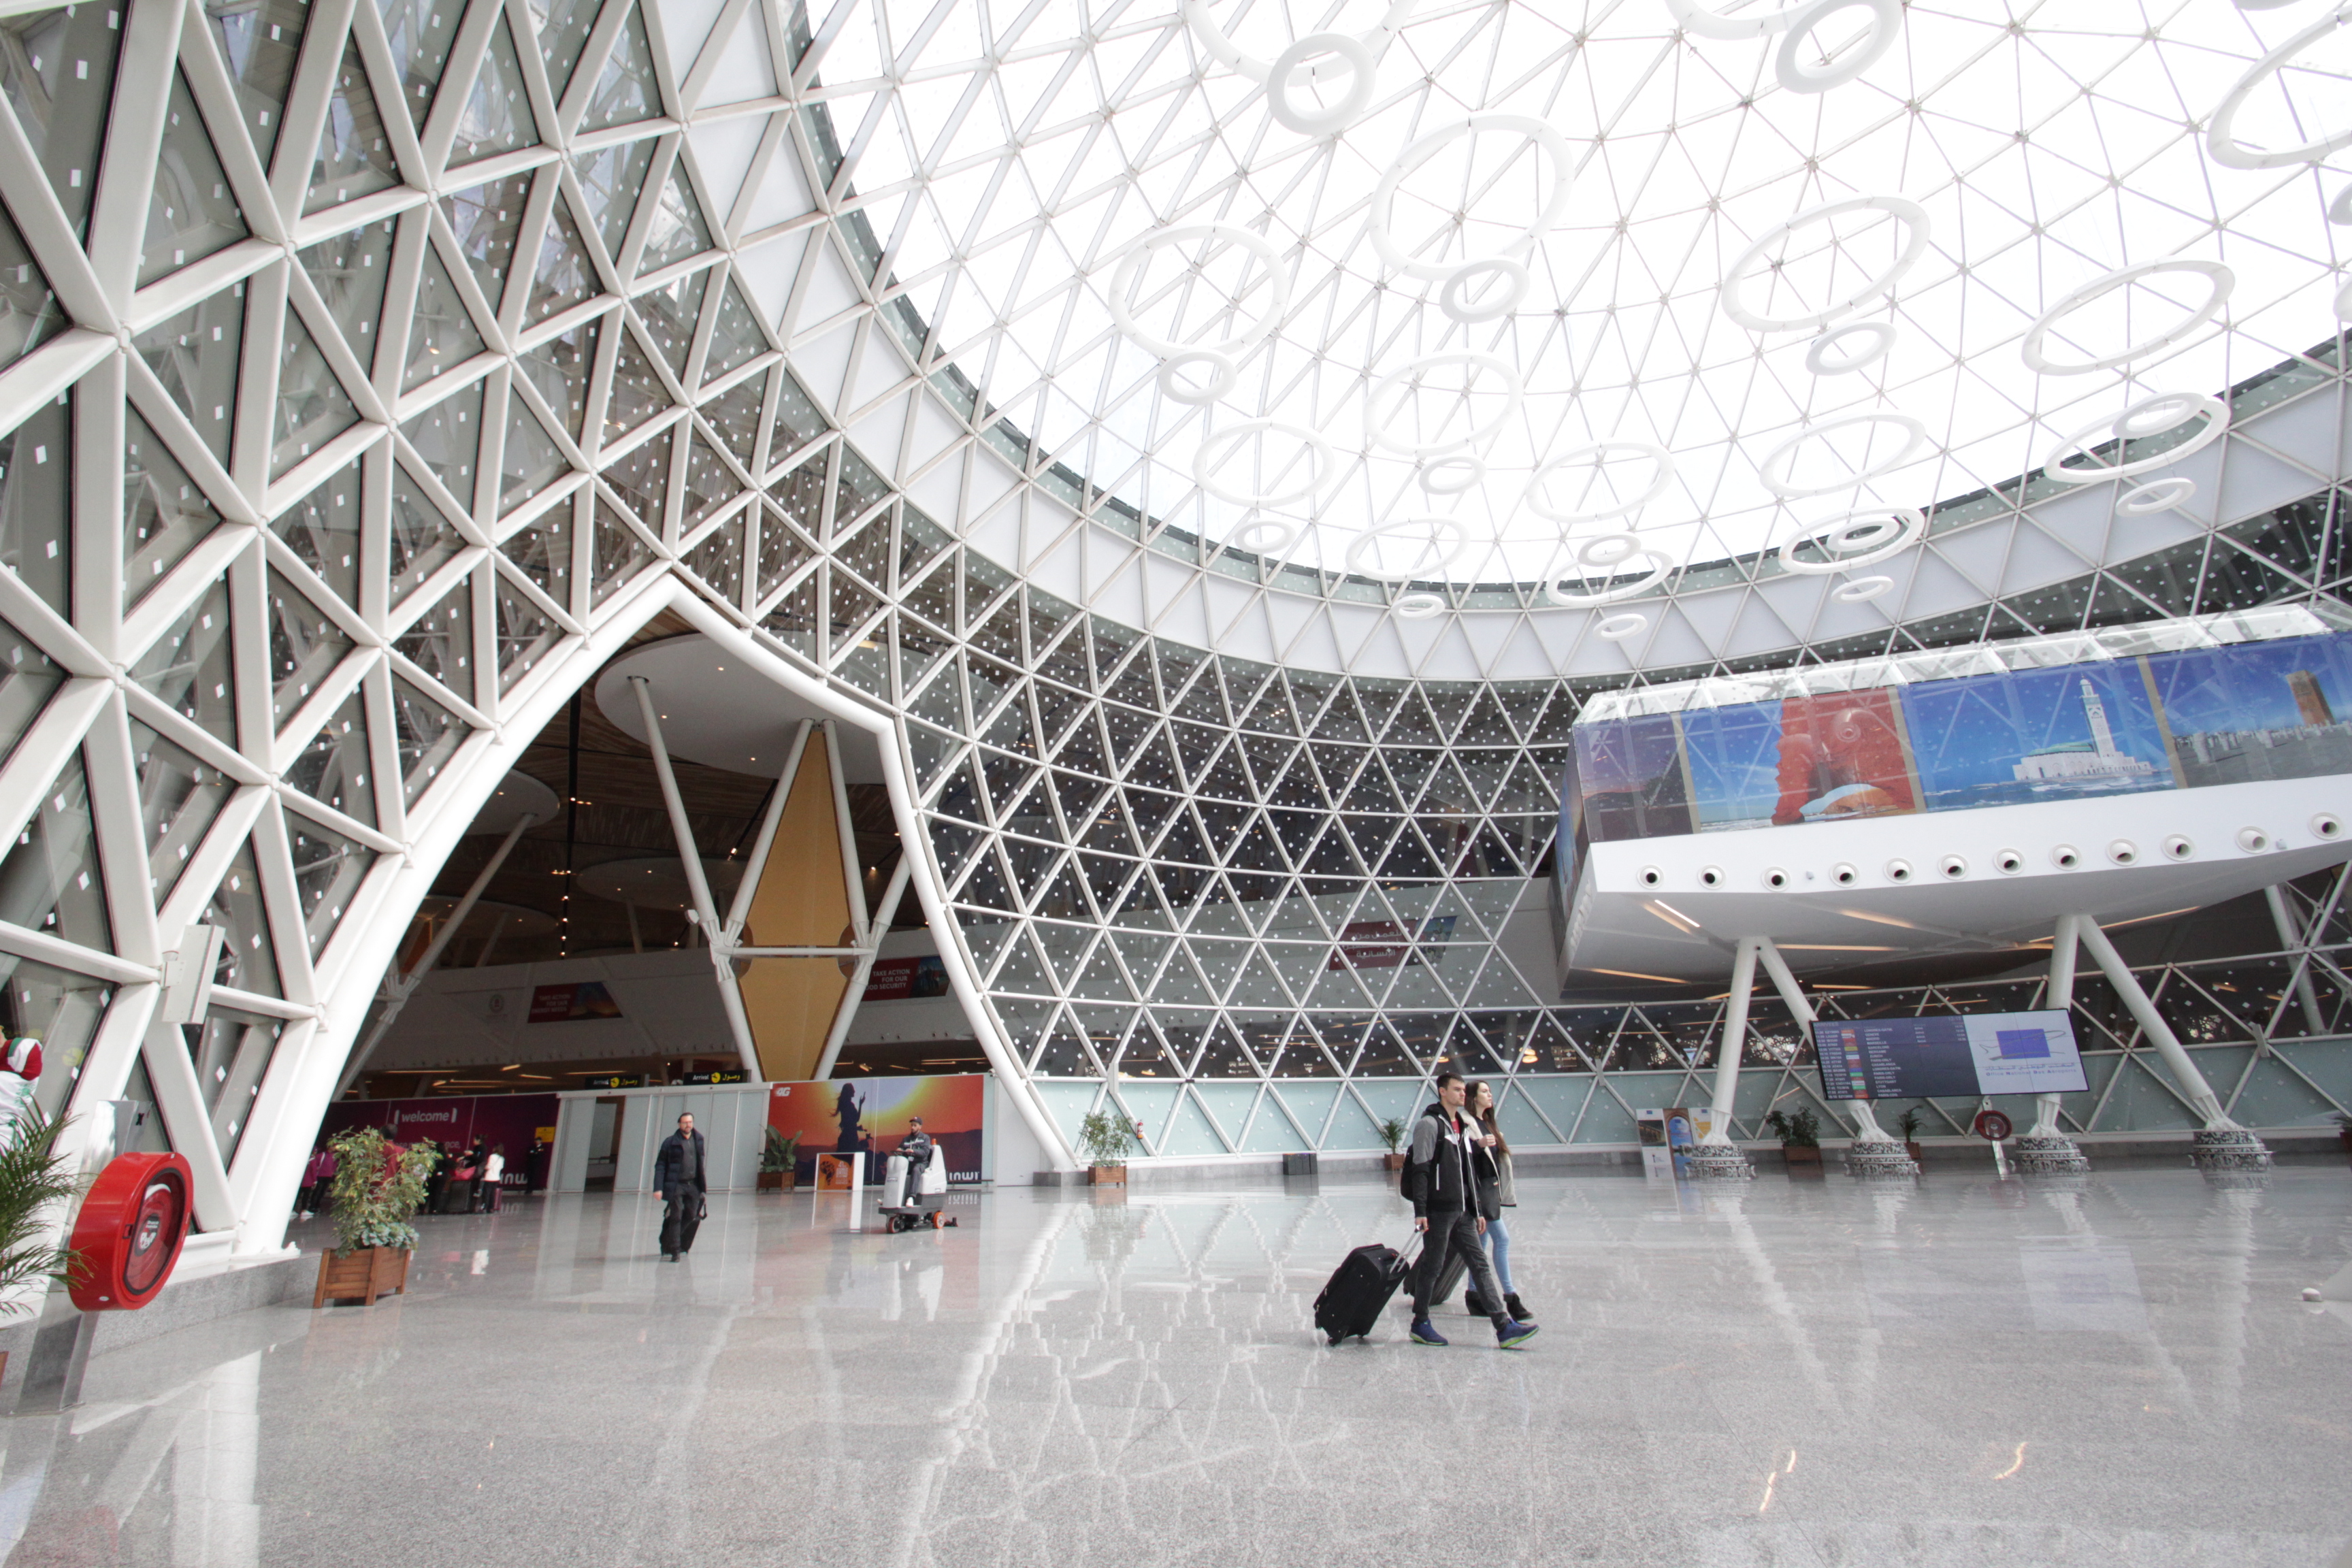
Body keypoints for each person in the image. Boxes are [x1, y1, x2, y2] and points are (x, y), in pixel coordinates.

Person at [1403, 1073, 1536, 1349]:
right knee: (1433, 1266)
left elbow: (1468, 1172)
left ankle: (1503, 1326)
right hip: (1439, 1210)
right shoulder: (1429, 1125)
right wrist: (1421, 1211)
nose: (1463, 1094)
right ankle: (1420, 1322)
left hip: (1463, 1210)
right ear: (1442, 1092)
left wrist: (1477, 1211)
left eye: (1464, 1090)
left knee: (1479, 1264)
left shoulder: (1461, 1126)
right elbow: (1421, 1170)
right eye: (1457, 1090)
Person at [1461, 1081, 1533, 1325]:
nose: (1490, 1095)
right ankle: (1511, 1297)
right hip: (1478, 1191)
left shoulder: (1488, 1123)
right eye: (1484, 1091)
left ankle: (1474, 1295)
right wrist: (1478, 1145)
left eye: (1490, 1091)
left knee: (1481, 1244)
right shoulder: (1467, 1122)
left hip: (1490, 1190)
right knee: (1501, 1239)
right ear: (1473, 1097)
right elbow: (1461, 1153)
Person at [653, 1112, 708, 1261]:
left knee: (691, 1215)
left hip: (693, 1185)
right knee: (676, 1217)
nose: (688, 1125)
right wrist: (658, 1187)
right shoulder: (670, 1143)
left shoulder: (699, 1139)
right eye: (685, 1123)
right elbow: (660, 1165)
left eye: (690, 1122)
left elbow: (699, 1163)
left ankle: (670, 1239)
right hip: (677, 1185)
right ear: (679, 1124)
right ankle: (675, 1250)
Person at [896, 1117, 934, 1205]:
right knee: (897, 1169)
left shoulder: (925, 1138)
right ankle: (890, 1196)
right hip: (908, 1163)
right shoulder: (906, 1139)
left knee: (916, 1170)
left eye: (915, 1125)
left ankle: (911, 1197)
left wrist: (913, 1151)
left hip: (920, 1163)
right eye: (912, 1125)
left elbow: (925, 1152)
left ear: (920, 1127)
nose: (912, 1127)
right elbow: (901, 1147)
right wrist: (899, 1150)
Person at [476, 1145, 506, 1213]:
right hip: (496, 1178)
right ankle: (491, 1208)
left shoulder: (492, 1156)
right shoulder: (502, 1158)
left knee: (486, 1193)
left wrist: (484, 1169)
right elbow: (501, 1167)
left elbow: (489, 1166)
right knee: (493, 1193)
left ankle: (484, 1207)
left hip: (489, 1177)